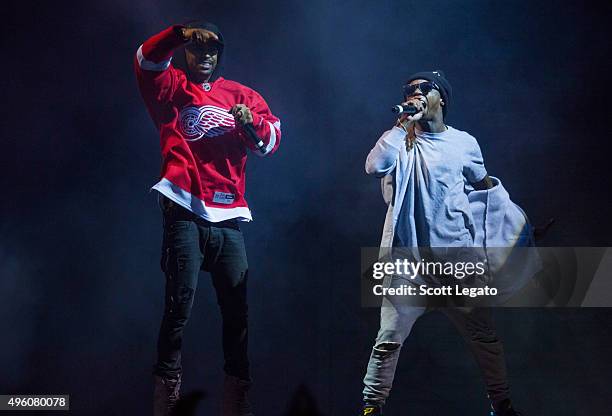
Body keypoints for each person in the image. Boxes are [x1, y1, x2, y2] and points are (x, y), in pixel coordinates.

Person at [134, 20, 281, 416]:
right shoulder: (172, 88)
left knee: (237, 313)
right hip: (183, 208)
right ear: (187, 52)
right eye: (198, 50)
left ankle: (237, 404)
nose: (205, 57)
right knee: (178, 308)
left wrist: (251, 124)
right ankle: (166, 404)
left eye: (212, 51)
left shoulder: (242, 95)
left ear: (220, 56)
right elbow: (145, 60)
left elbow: (271, 141)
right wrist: (179, 33)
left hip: (229, 217)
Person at [359, 71, 522, 416]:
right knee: (387, 341)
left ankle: (502, 405)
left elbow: (484, 189)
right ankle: (371, 408)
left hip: (458, 262)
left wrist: (511, 230)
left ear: (441, 98)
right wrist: (402, 125)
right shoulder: (401, 139)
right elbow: (375, 166)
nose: (415, 94)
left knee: (484, 338)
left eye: (423, 88)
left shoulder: (465, 143)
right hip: (409, 263)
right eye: (409, 90)